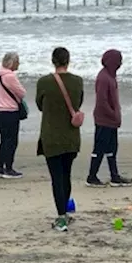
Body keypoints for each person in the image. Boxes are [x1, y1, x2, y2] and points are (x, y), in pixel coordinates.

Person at [35, 46, 84, 231]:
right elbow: (78, 103)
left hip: (51, 136)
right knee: (66, 175)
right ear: (68, 60)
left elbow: (40, 105)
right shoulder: (77, 81)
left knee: (56, 177)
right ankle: (64, 213)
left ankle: (61, 216)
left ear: (53, 61)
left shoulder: (44, 82)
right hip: (71, 136)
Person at [87, 49, 132, 187]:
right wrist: (113, 114)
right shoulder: (103, 77)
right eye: (118, 61)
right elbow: (102, 101)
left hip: (112, 121)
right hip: (104, 120)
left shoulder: (111, 76)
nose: (120, 64)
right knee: (99, 148)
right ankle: (92, 176)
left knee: (112, 148)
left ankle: (114, 176)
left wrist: (116, 115)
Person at [0, 52, 27, 178]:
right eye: (17, 61)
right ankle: (9, 168)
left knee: (4, 140)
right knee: (12, 140)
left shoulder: (1, 75)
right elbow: (22, 92)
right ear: (12, 63)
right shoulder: (10, 76)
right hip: (10, 111)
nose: (19, 64)